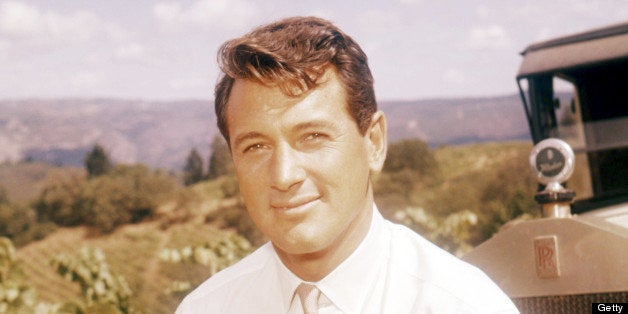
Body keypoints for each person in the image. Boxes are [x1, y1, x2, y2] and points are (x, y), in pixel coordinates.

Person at [176, 16, 519, 314]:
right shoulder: (206, 308)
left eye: (312, 137)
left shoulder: (463, 306)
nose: (283, 176)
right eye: (256, 146)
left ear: (374, 143)